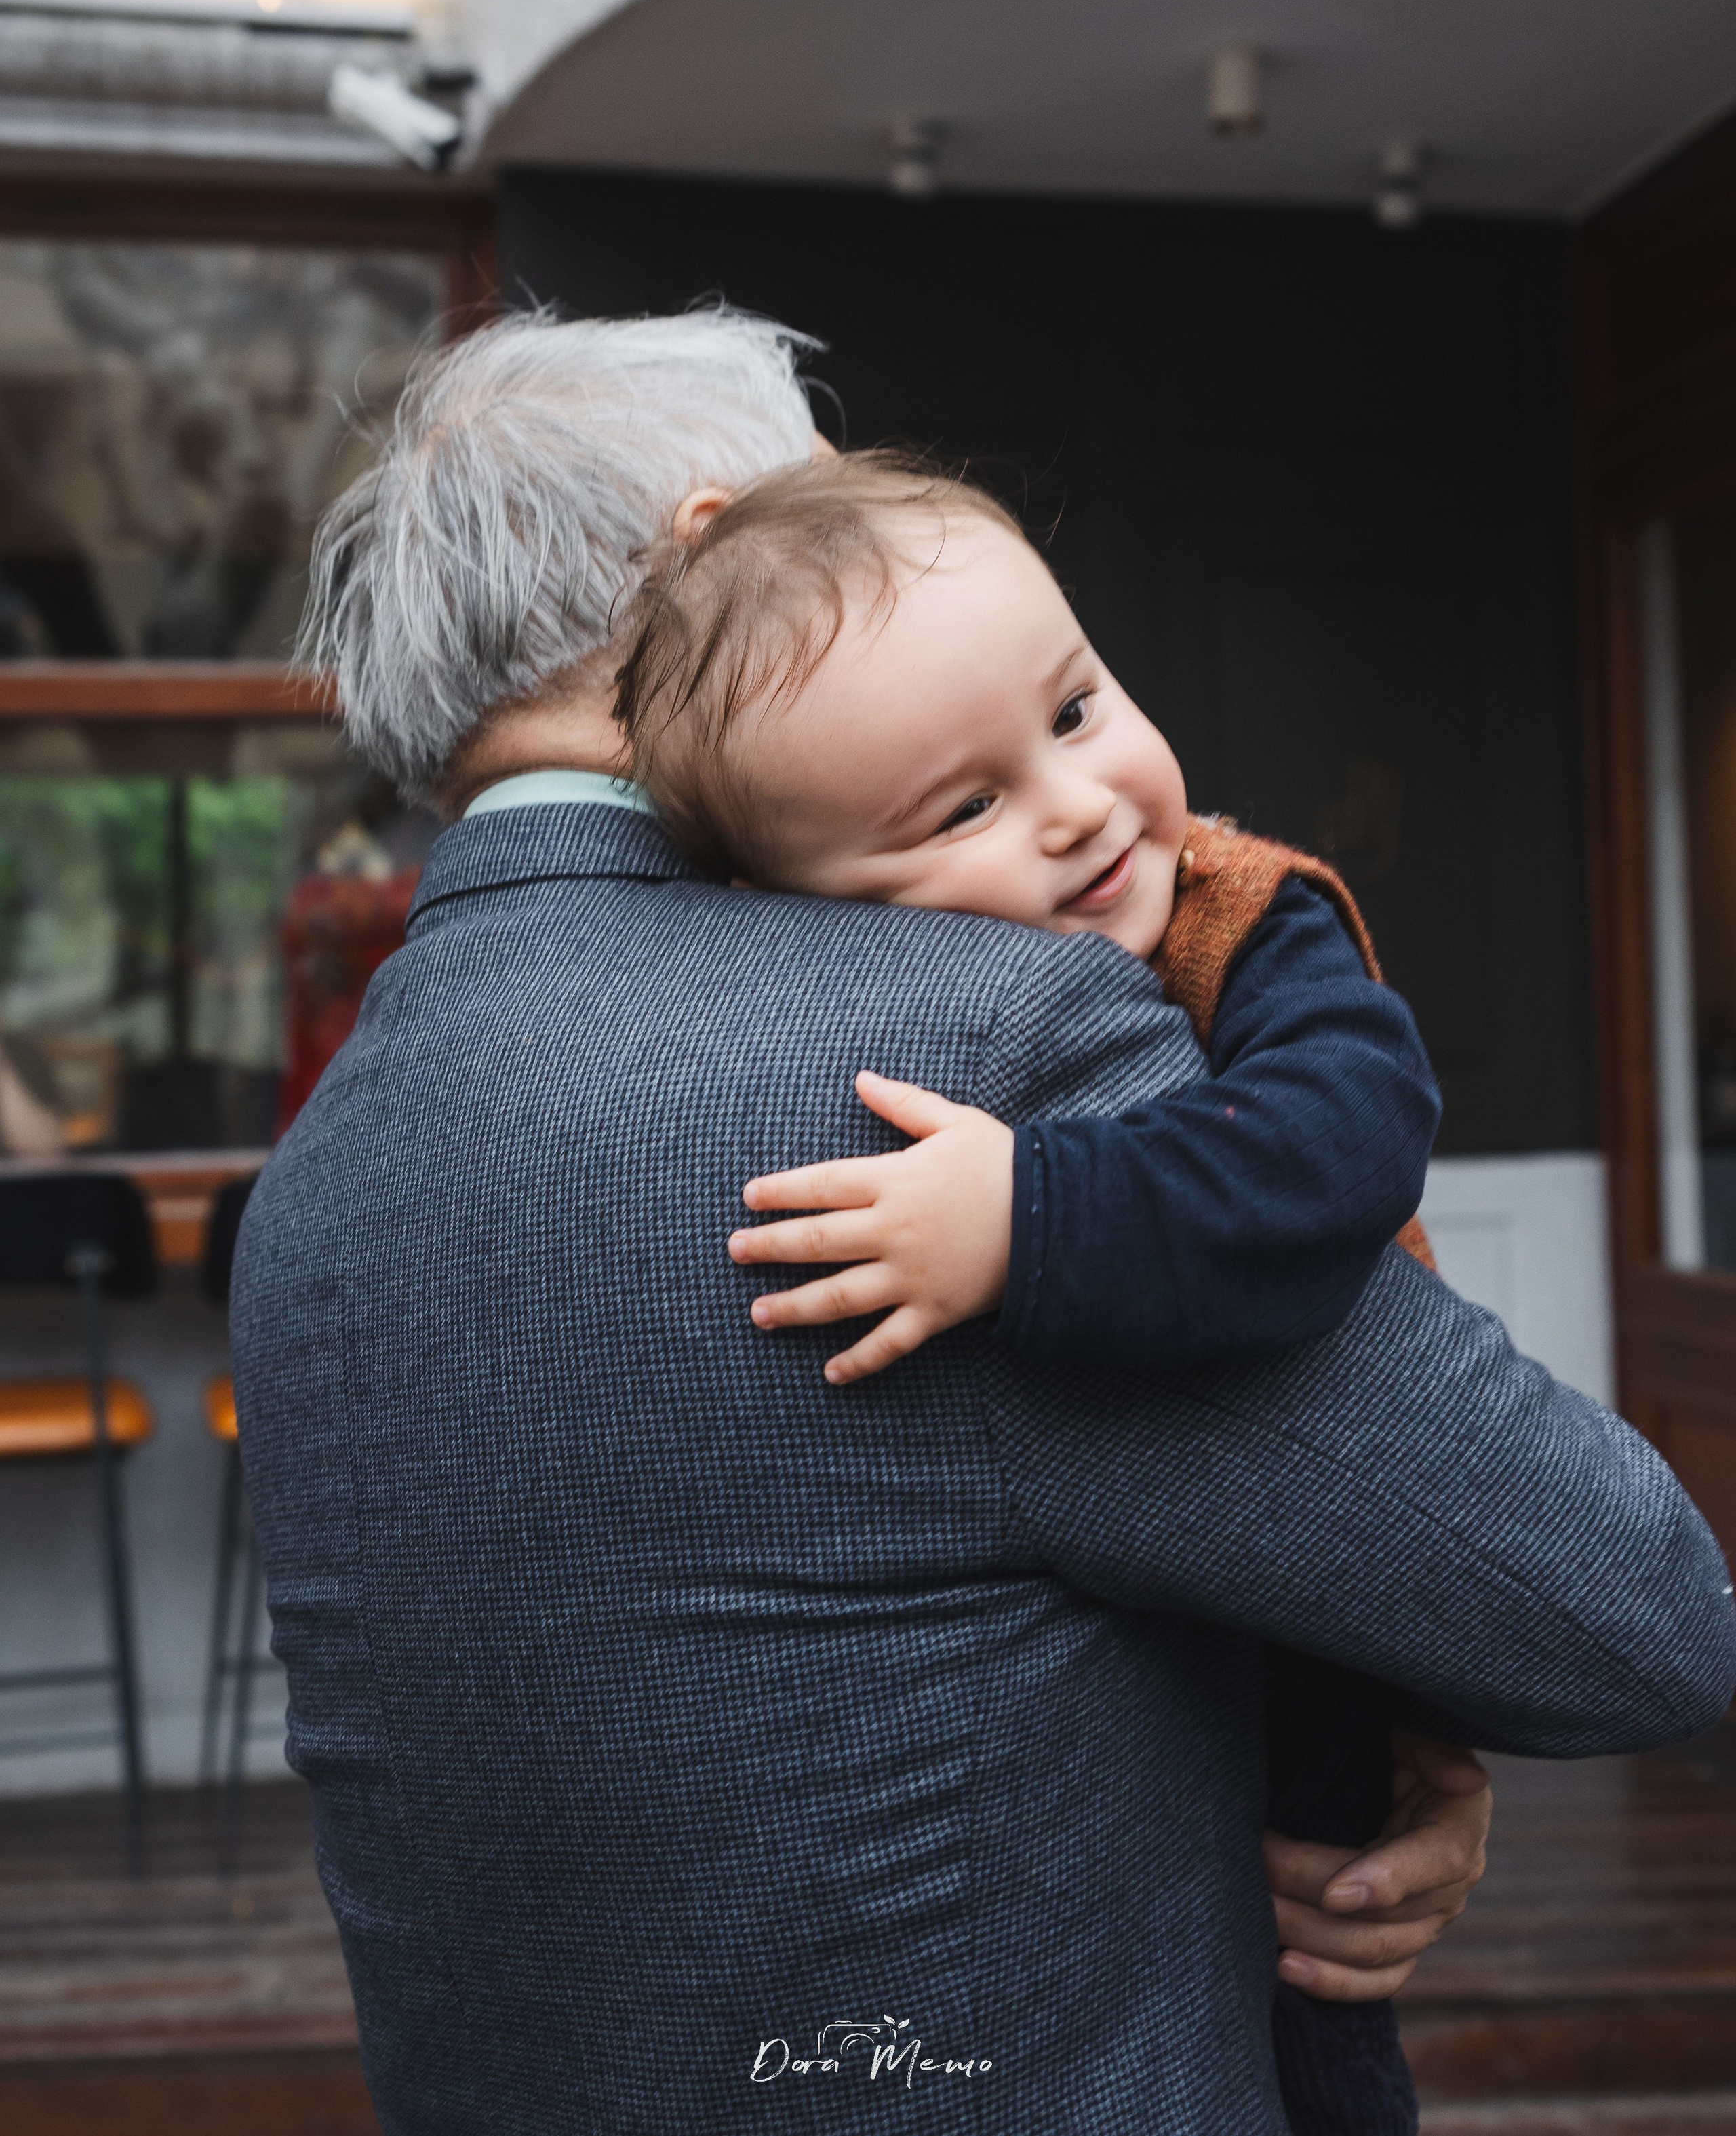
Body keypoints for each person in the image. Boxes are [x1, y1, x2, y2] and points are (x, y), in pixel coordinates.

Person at [235, 309, 1736, 2134]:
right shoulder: (953, 1040)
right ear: (713, 544)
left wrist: (1363, 1712)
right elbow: (1632, 1613)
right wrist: (1415, 1712)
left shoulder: (308, 1186)